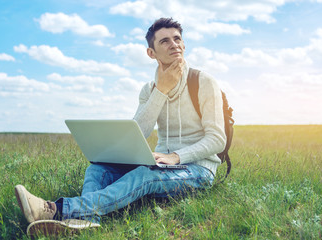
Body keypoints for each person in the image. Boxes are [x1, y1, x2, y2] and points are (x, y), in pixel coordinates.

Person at [15, 17, 226, 236]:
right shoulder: (148, 90)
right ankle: (87, 222)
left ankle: (55, 209)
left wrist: (175, 156)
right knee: (97, 169)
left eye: (177, 39)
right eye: (164, 41)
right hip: (161, 164)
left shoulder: (204, 82)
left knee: (144, 175)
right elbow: (139, 133)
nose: (174, 44)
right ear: (151, 53)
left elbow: (217, 139)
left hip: (198, 169)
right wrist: (160, 91)